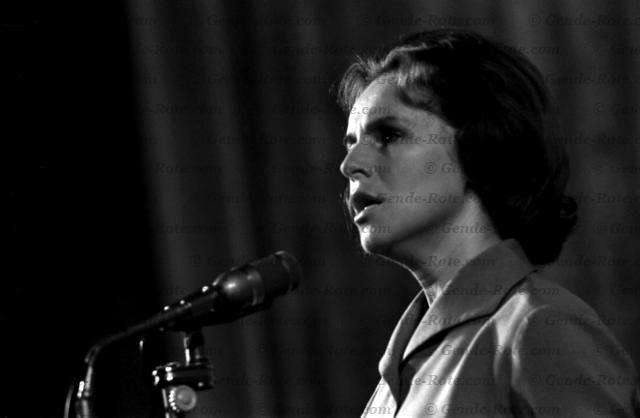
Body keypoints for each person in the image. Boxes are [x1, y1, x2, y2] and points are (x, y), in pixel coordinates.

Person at [337, 28, 639, 417]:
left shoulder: (540, 329)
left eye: (390, 135)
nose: (350, 165)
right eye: (351, 143)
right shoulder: (394, 376)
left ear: (482, 146)